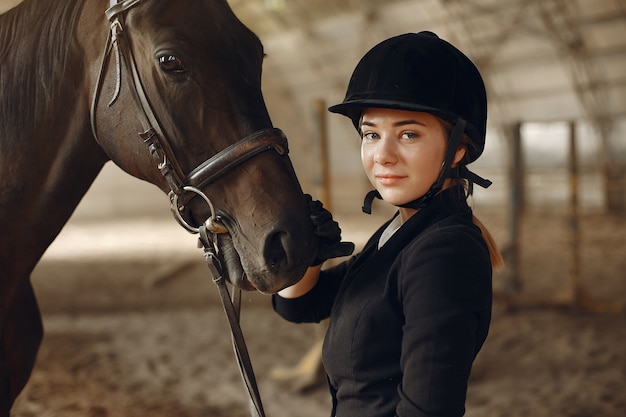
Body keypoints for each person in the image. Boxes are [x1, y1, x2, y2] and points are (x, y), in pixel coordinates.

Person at [273, 31, 503, 417]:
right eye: (371, 134)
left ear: (458, 148)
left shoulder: (443, 253)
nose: (383, 155)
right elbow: (301, 306)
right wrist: (310, 252)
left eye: (408, 134)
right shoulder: (400, 233)